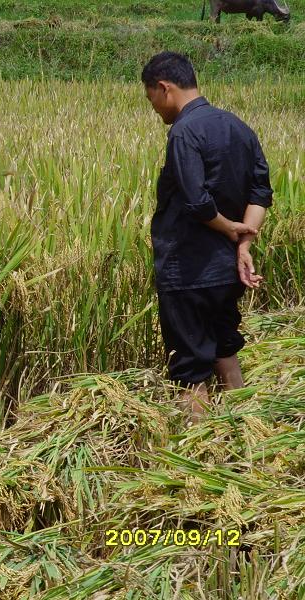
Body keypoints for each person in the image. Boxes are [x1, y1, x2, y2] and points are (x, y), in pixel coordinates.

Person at [141, 52, 273, 419]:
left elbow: (197, 201)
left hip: (187, 270)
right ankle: (248, 430)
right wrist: (243, 242)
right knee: (224, 346)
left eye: (151, 98)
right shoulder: (238, 127)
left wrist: (230, 228)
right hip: (226, 270)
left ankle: (197, 453)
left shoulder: (184, 132)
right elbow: (261, 191)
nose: (154, 108)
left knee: (189, 366)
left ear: (164, 88)